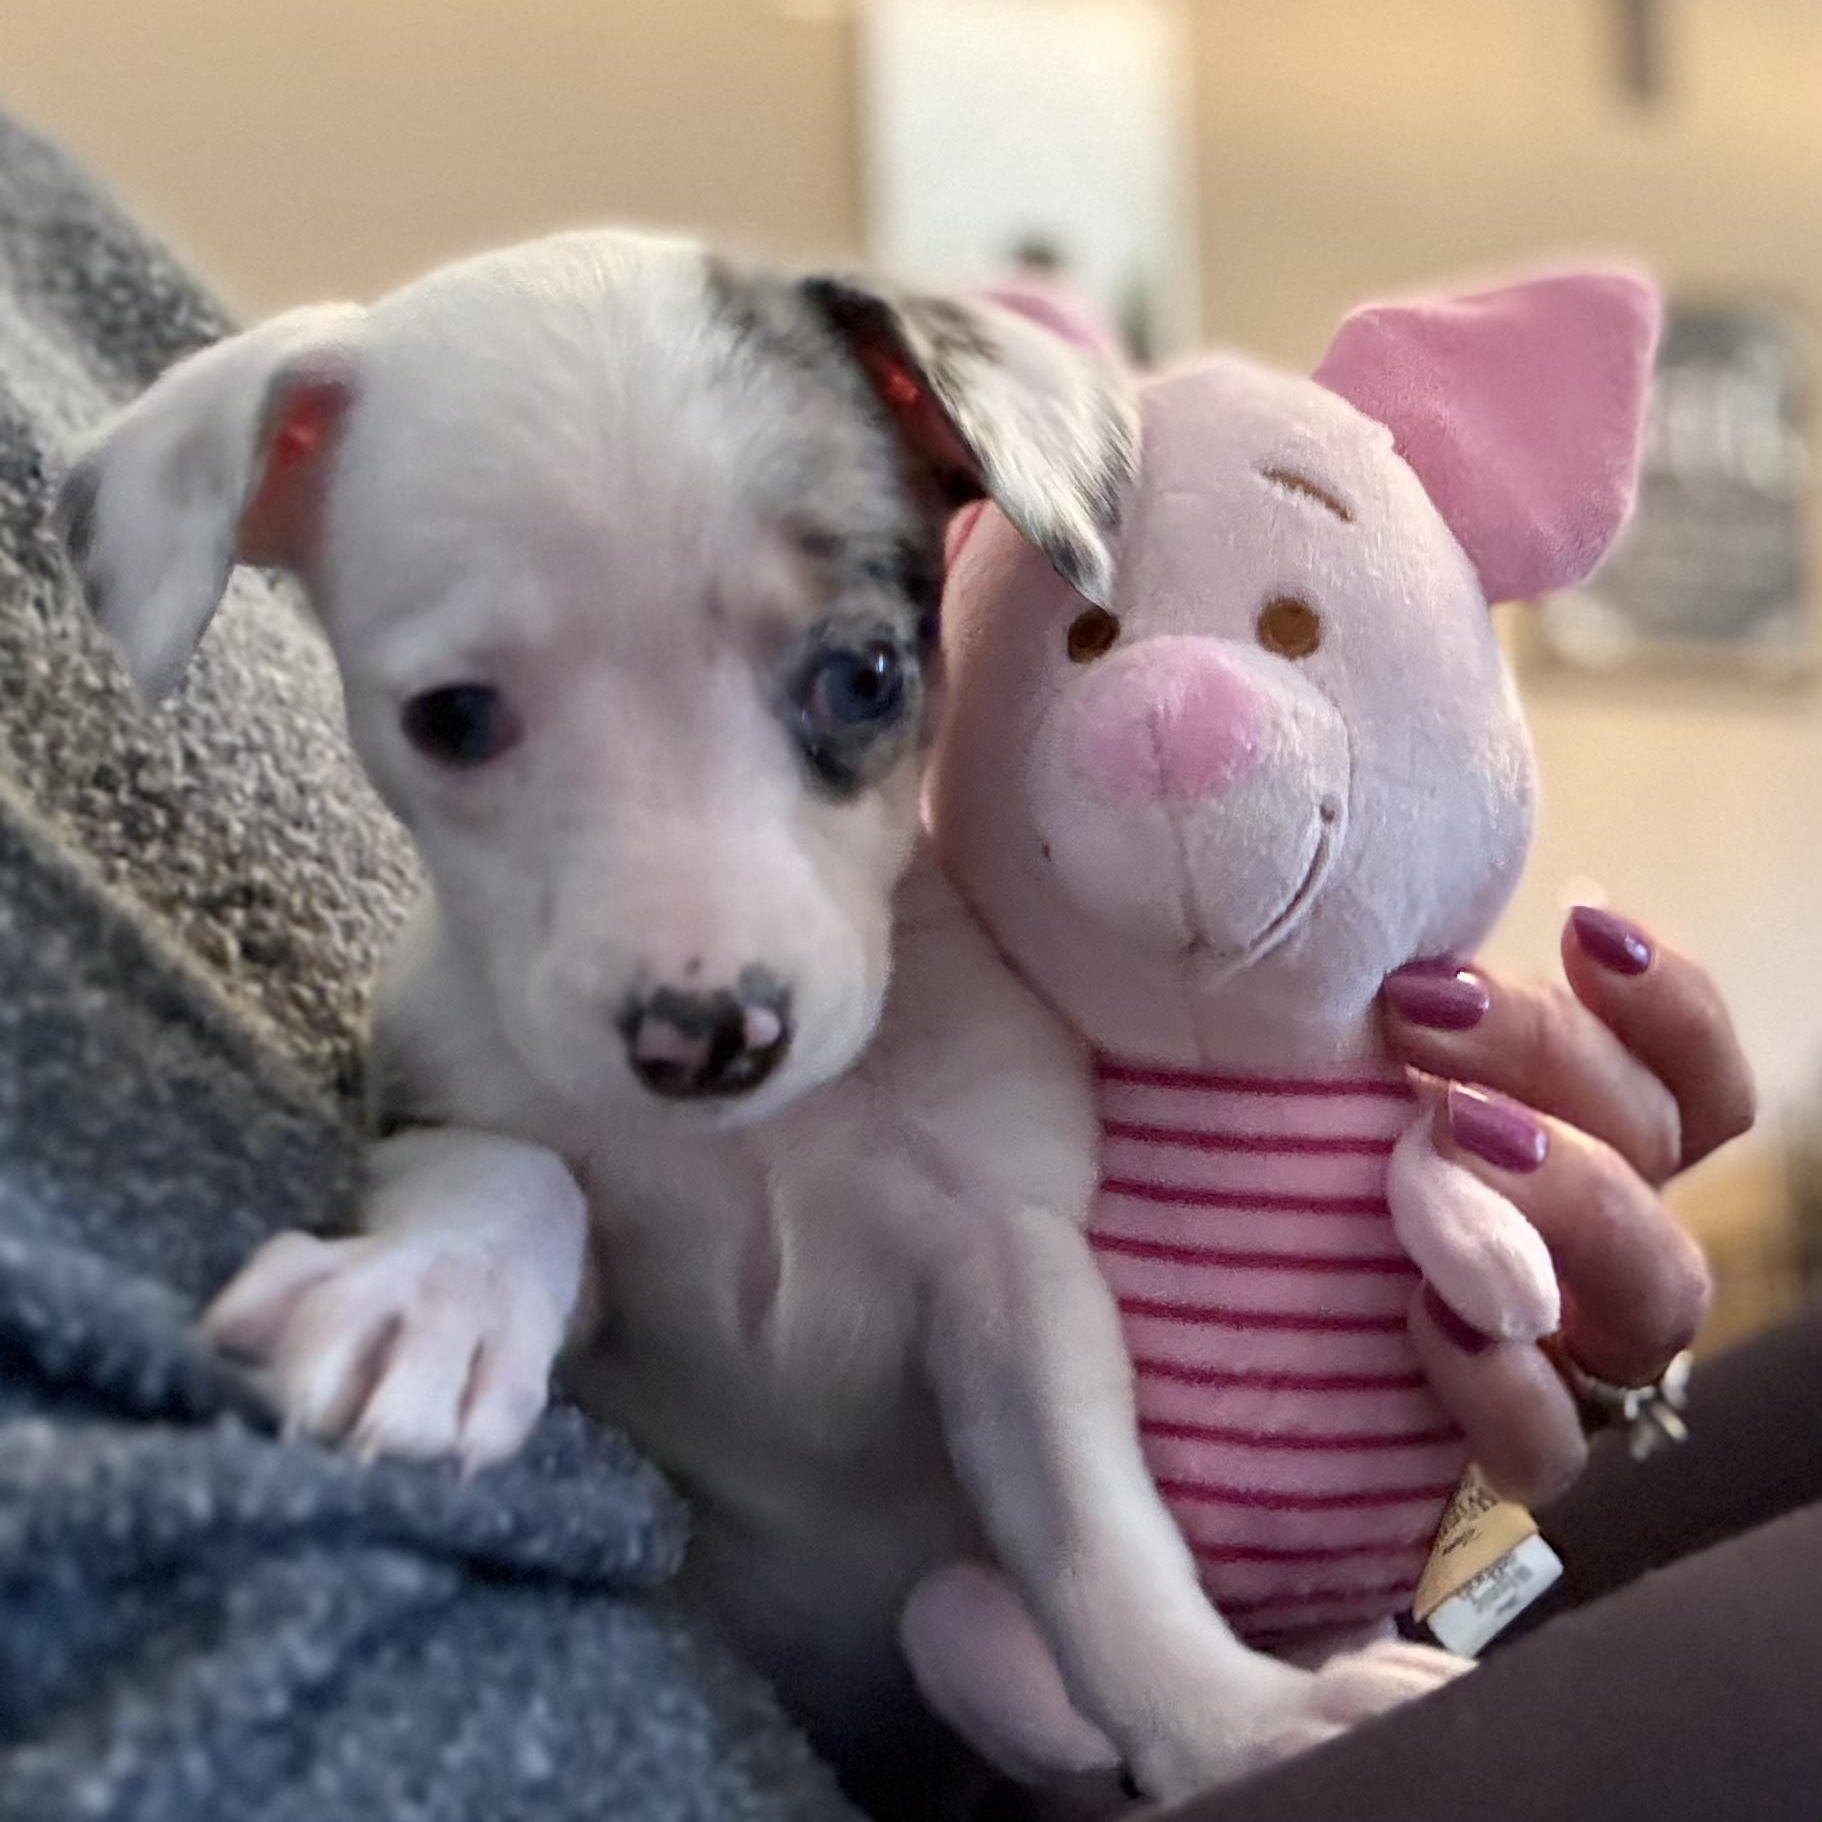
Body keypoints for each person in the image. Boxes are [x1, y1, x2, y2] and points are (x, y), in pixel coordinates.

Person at [0, 104, 1810, 1822]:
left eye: (851, 685)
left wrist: (1251, 1658)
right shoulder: (456, 1030)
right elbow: (472, 1157)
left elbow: (1029, 1329)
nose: (699, 970)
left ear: (963, 505)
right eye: (467, 720)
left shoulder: (985, 1004)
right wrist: (484, 1228)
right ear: (279, 502)